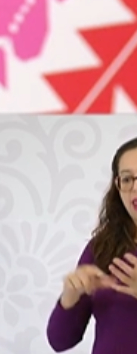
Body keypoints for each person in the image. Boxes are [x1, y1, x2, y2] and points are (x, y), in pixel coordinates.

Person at [47, 137, 137, 354]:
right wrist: (71, 294)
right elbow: (60, 341)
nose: (135, 188)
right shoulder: (102, 248)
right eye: (127, 179)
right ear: (118, 186)